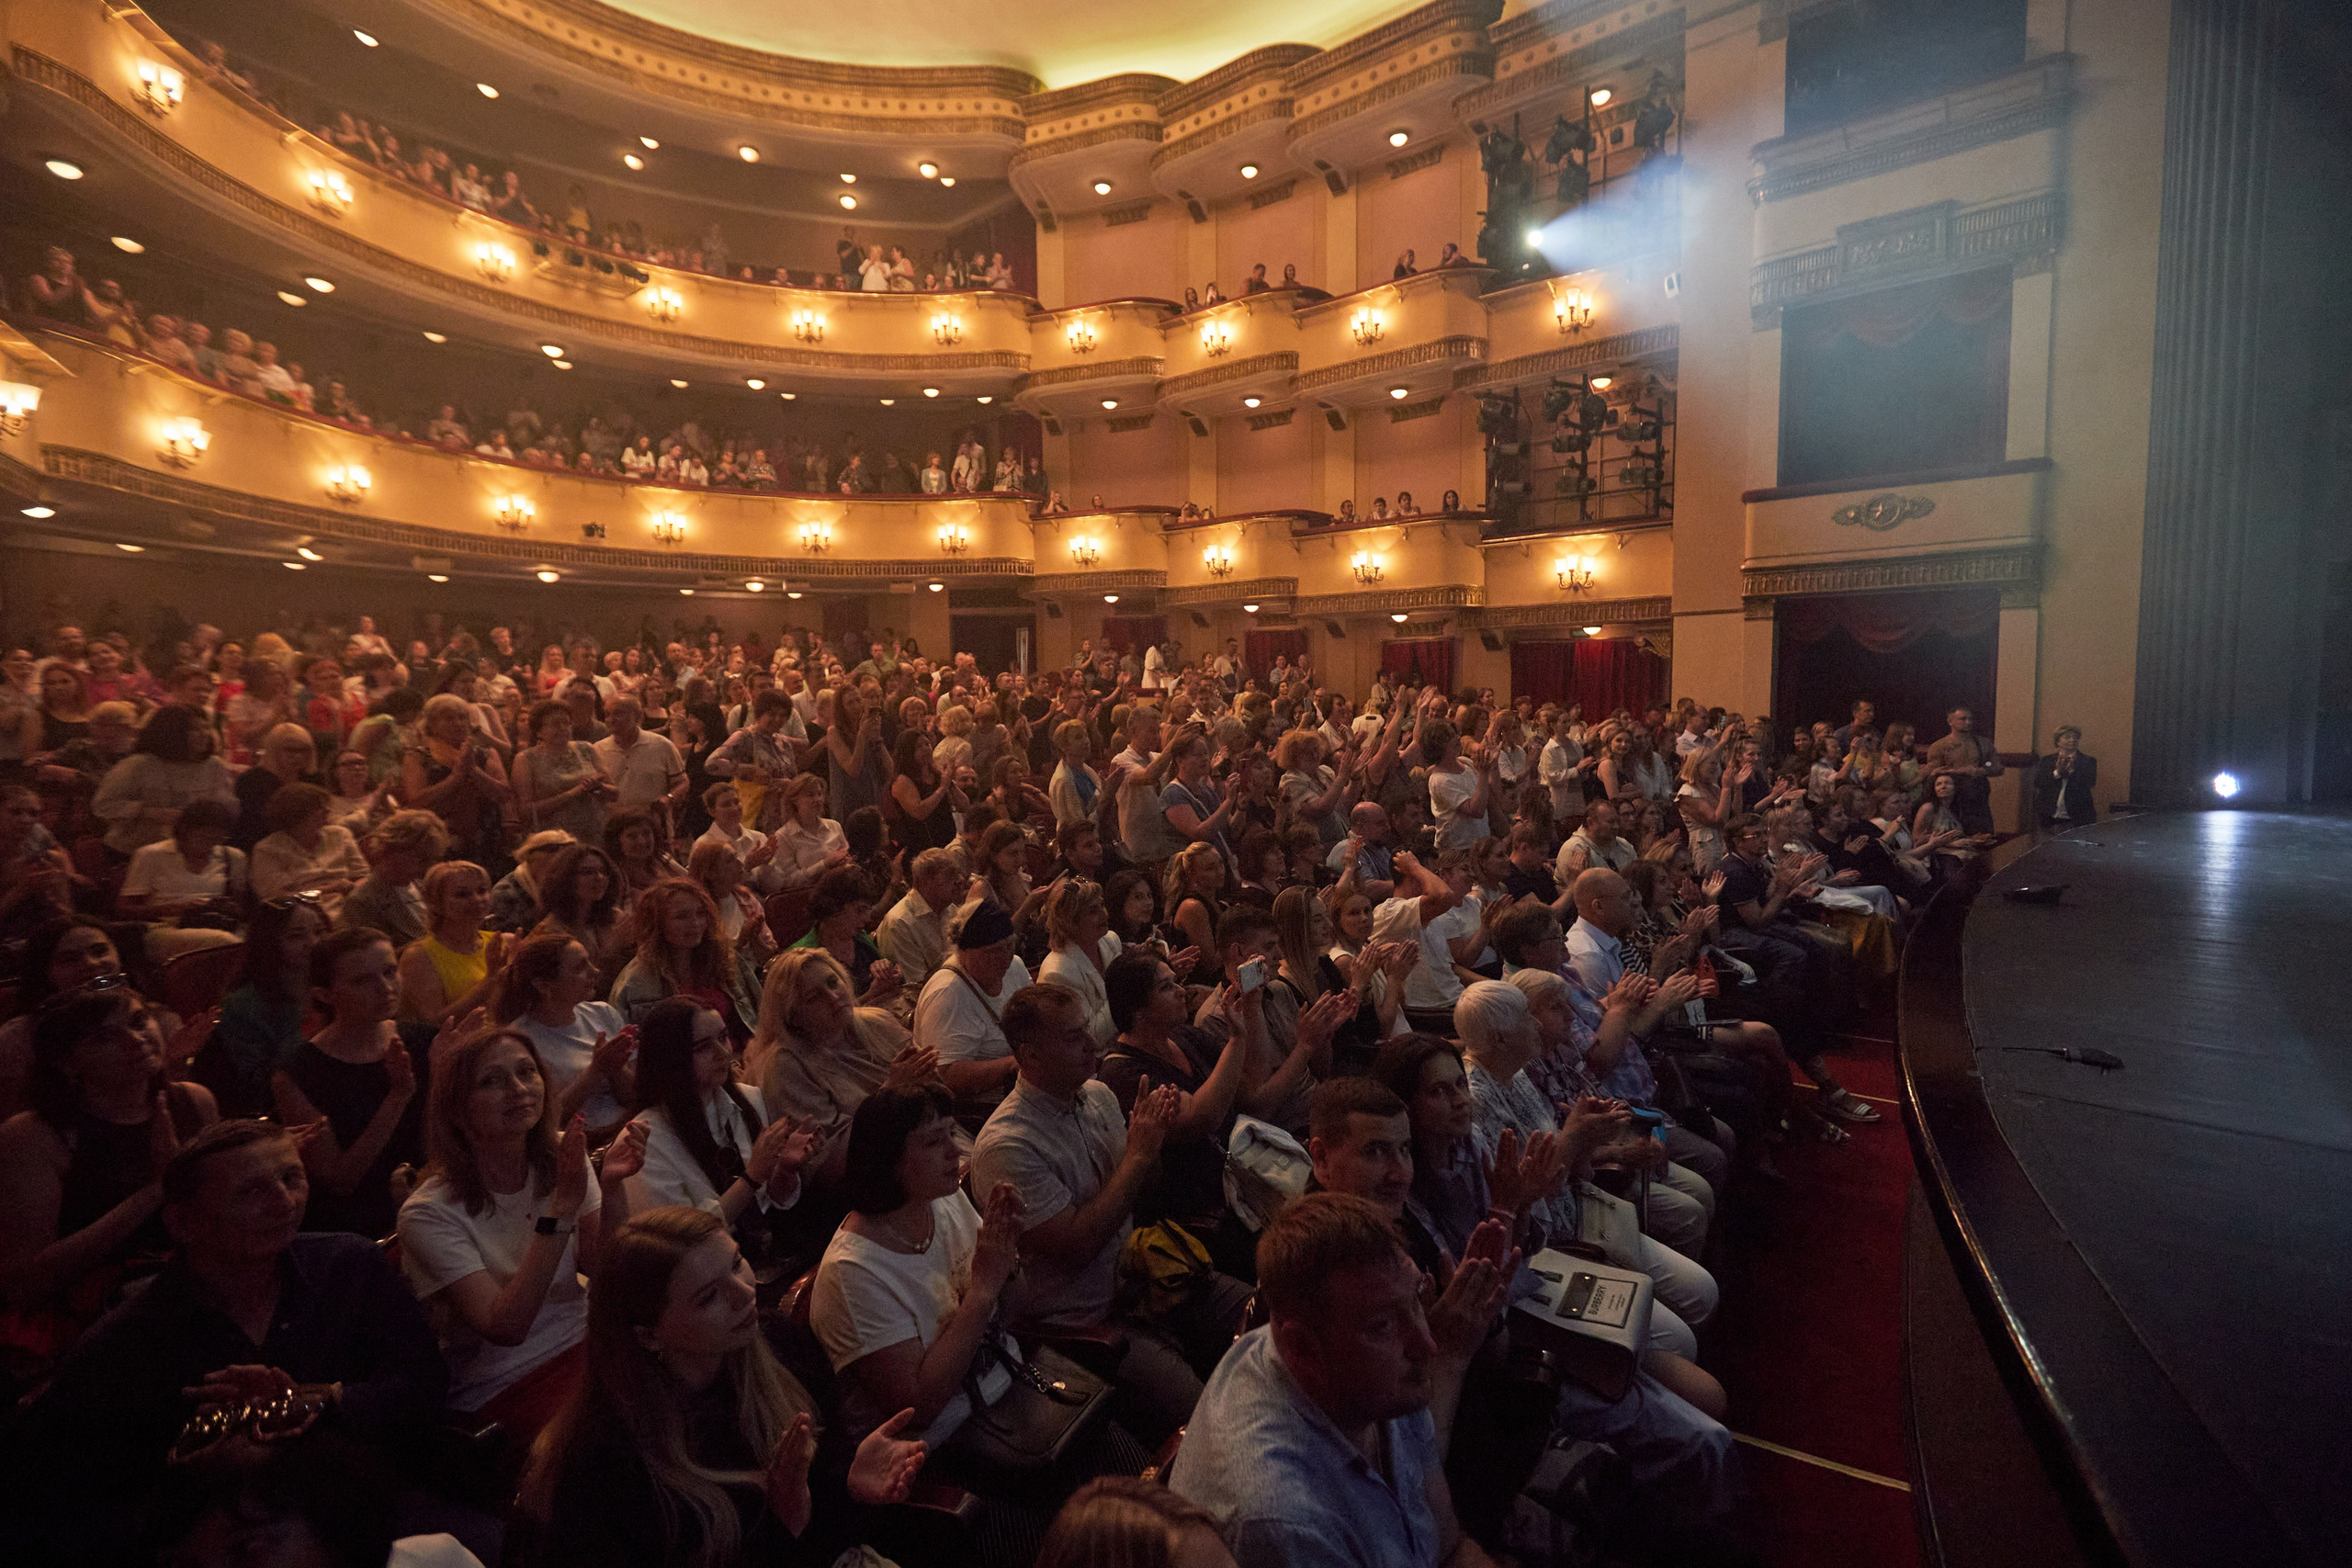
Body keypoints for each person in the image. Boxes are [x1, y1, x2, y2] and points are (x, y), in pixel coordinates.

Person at [7, 1120, 447, 1568]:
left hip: (365, 1513)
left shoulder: (349, 1267)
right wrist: (200, 1469)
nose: (284, 1201)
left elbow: (423, 1383)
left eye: (291, 1177)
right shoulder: (127, 1343)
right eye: (250, 1192)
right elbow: (67, 1512)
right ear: (182, 1222)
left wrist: (322, 1401)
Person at [514, 1206, 925, 1568]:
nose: (745, 1292)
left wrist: (851, 1486)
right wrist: (786, 1526)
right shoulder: (605, 1461)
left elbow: (830, 1534)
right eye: (708, 1297)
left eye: (736, 1262)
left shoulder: (780, 1344)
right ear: (648, 1336)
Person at [972, 982, 1251, 1440]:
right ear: (1030, 1056)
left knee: (1269, 1312)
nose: (1091, 1043)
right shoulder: (1008, 1145)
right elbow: (1078, 1246)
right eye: (1071, 1037)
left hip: (1148, 1276)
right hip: (1089, 1321)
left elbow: (1144, 1193)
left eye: (1086, 1029)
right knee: (1208, 1421)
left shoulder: (1097, 1096)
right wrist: (1138, 1157)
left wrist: (1153, 1148)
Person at [1169, 1191, 1500, 1568]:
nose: (1426, 1345)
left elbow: (1448, 1545)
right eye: (1382, 1326)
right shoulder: (1283, 1520)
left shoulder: (1377, 1377)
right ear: (1301, 1348)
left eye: (1416, 1299)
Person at [394, 1028, 647, 1438]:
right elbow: (507, 1327)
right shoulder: (427, 1213)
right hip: (503, 1383)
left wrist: (614, 1187)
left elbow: (604, 1271)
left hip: (585, 1341)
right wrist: (562, 1208)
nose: (517, 1089)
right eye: (491, 1081)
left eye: (526, 1072)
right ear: (457, 1110)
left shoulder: (560, 1153)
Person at [0, 983, 220, 1361]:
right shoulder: (34, 1135)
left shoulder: (192, 1101)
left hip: (195, 1278)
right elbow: (25, 1284)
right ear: (67, 1063)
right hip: (85, 1315)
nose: (135, 1040)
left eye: (139, 1021)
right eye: (105, 1038)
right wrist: (157, 1188)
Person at [809, 1085, 1026, 1446]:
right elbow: (919, 1409)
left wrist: (1008, 1257)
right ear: (887, 1161)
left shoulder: (945, 1200)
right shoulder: (852, 1272)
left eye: (951, 1134)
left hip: (1011, 1391)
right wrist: (984, 1288)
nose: (954, 1150)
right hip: (946, 1448)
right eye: (932, 1142)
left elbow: (1015, 1314)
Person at [270, 929, 435, 1239]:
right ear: (326, 995)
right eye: (362, 981)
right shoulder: (298, 1072)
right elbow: (342, 1180)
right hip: (354, 1228)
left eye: (390, 972)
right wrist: (399, 1094)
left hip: (427, 1200)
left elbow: (435, 1149)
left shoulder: (425, 1041)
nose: (385, 988)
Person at [911, 900, 1034, 1106]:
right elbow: (946, 1076)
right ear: (964, 951)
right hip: (978, 1108)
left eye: (1009, 945)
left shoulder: (1015, 966)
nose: (1005, 958)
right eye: (993, 951)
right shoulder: (948, 993)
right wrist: (1013, 1064)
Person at [90, 705, 237, 857]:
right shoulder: (140, 765)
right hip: (135, 851)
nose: (203, 734)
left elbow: (229, 806)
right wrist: (149, 812)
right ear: (171, 732)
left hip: (193, 852)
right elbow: (103, 805)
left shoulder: (213, 766)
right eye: (194, 729)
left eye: (206, 728)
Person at [395, 860, 511, 1026]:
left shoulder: (502, 942)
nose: (477, 899)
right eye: (462, 895)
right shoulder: (419, 956)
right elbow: (434, 1024)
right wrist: (489, 982)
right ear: (435, 902)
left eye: (482, 891)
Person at [249, 784, 369, 919]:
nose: (328, 810)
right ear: (297, 814)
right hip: (301, 919)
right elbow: (279, 901)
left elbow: (364, 876)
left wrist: (354, 888)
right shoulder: (268, 849)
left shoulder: (340, 835)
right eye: (319, 807)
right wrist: (330, 889)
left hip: (350, 911)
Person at [337, 808, 447, 951]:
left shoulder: (424, 888)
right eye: (418, 858)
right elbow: (372, 959)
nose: (423, 868)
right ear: (389, 849)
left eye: (427, 859)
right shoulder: (363, 901)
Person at [514, 699, 614, 848]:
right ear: (538, 731)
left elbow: (614, 794)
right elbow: (526, 811)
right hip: (553, 840)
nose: (563, 728)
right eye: (555, 724)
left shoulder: (586, 749)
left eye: (566, 723)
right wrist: (573, 792)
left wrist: (597, 788)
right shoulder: (526, 759)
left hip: (594, 833)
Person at [874, 845, 961, 989]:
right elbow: (915, 985)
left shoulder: (949, 909)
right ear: (925, 881)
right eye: (950, 875)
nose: (959, 880)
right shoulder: (900, 922)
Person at [1922, 705, 2002, 837]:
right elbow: (1935, 774)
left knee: (1984, 837)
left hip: (1977, 799)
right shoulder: (1939, 746)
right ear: (1950, 721)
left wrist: (1980, 771)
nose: (1968, 722)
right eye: (1962, 719)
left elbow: (1998, 768)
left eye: (1970, 719)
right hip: (1951, 801)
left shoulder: (1983, 743)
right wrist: (1960, 771)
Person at [773, 773, 850, 890]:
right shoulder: (783, 836)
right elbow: (790, 881)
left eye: (819, 794)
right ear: (795, 800)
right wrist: (824, 864)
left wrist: (847, 861)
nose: (818, 799)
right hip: (808, 896)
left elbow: (846, 855)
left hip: (841, 888)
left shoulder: (834, 826)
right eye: (810, 795)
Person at [2032, 725, 2098, 830]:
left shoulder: (2088, 761)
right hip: (2049, 813)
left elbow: (2090, 783)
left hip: (2078, 815)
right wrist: (2057, 773)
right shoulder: (2046, 760)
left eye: (2075, 737)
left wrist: (2071, 772)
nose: (2072, 740)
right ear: (2058, 742)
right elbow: (2039, 782)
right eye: (2068, 737)